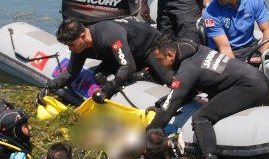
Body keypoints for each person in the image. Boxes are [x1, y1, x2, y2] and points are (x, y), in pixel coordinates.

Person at [148, 35, 269, 159]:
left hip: (250, 88)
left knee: (201, 117)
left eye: (160, 60)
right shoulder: (198, 50)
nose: (159, 64)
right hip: (260, 79)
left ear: (170, 54)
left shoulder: (189, 68)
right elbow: (188, 91)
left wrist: (150, 131)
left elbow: (169, 107)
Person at [39, 17, 173, 104]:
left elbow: (128, 66)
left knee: (168, 80)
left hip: (150, 47)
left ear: (82, 36)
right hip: (122, 54)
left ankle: (146, 75)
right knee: (99, 76)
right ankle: (139, 76)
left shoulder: (109, 35)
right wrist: (49, 87)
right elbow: (70, 72)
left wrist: (107, 91)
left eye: (71, 44)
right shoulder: (80, 46)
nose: (70, 49)